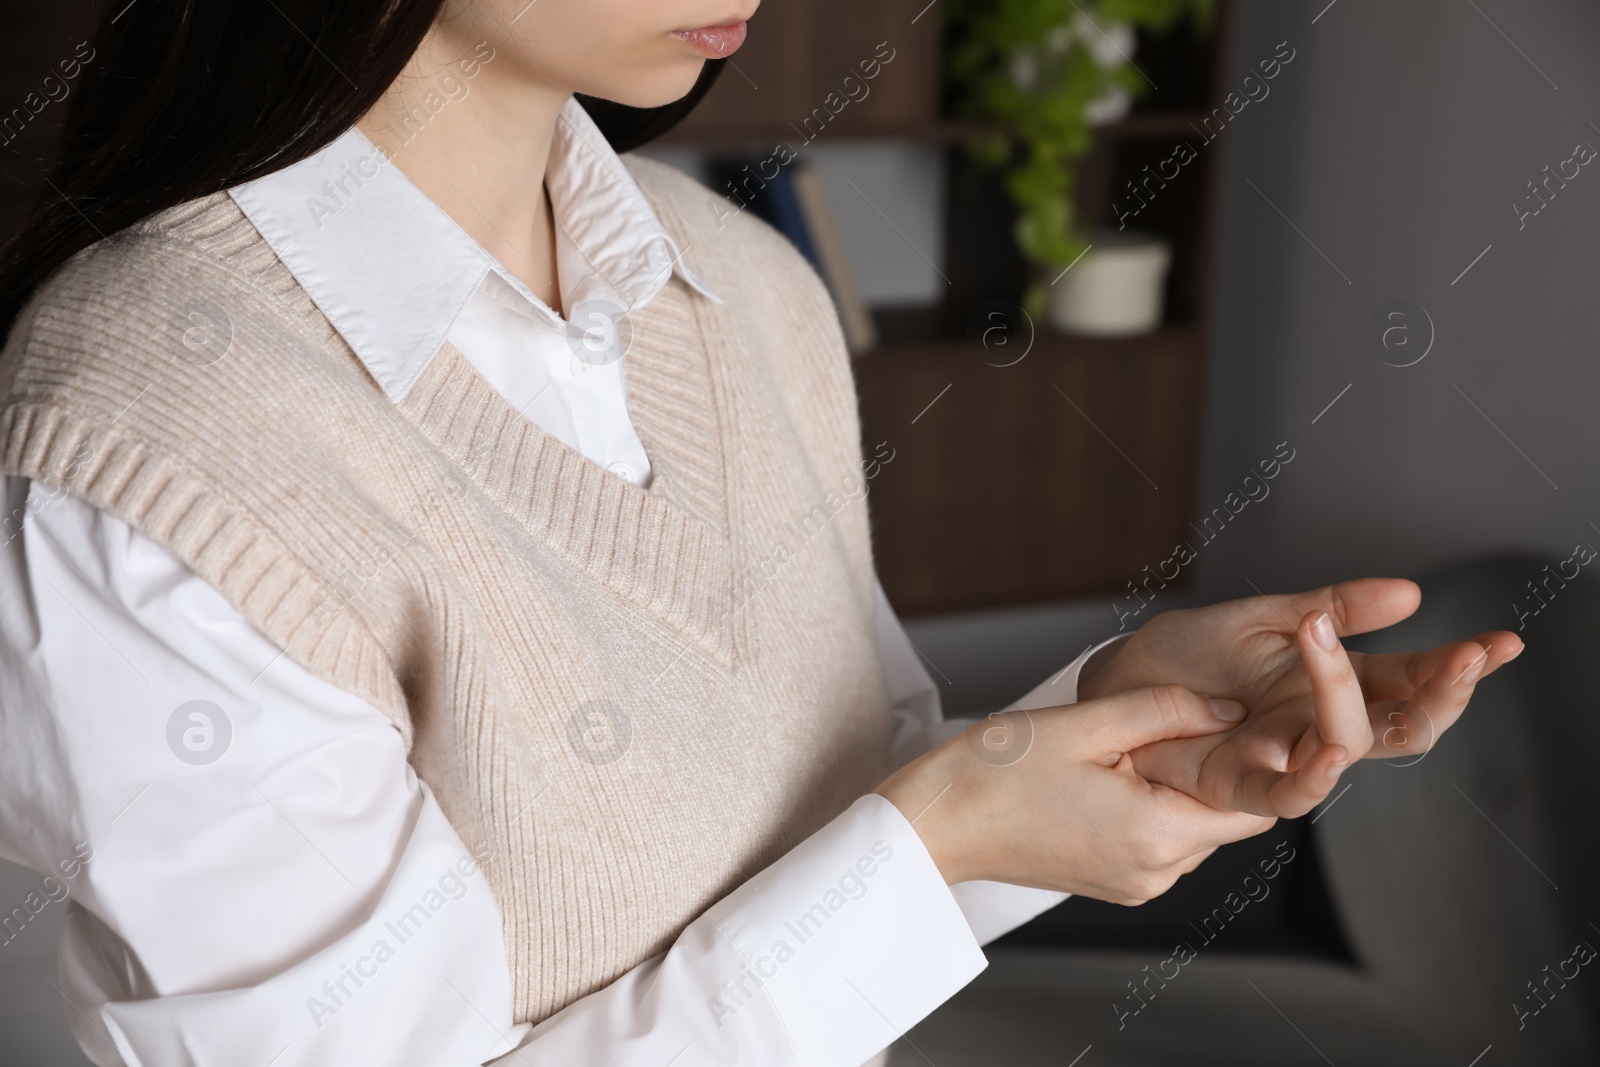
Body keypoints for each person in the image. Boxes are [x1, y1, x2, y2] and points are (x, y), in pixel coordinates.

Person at [0, 1, 1520, 1064]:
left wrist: (1115, 725)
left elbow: (845, 841)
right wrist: (942, 838)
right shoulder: (152, 437)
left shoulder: (745, 291)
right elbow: (893, 860)